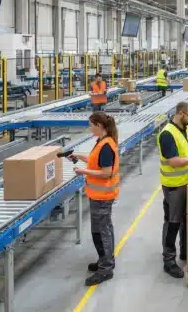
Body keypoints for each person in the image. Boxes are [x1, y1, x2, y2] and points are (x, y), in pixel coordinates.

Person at [67, 112, 120, 286]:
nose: (89, 128)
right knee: (99, 230)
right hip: (98, 195)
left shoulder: (106, 145)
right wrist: (79, 157)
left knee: (102, 231)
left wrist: (83, 171)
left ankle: (106, 269)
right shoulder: (102, 142)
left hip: (103, 196)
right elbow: (95, 161)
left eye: (91, 125)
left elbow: (106, 173)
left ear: (99, 125)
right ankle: (104, 259)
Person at [157, 101, 188, 278]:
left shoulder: (186, 128)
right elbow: (174, 162)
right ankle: (169, 260)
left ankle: (185, 250)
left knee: (187, 220)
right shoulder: (167, 134)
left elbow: (186, 154)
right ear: (180, 113)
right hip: (174, 186)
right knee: (173, 222)